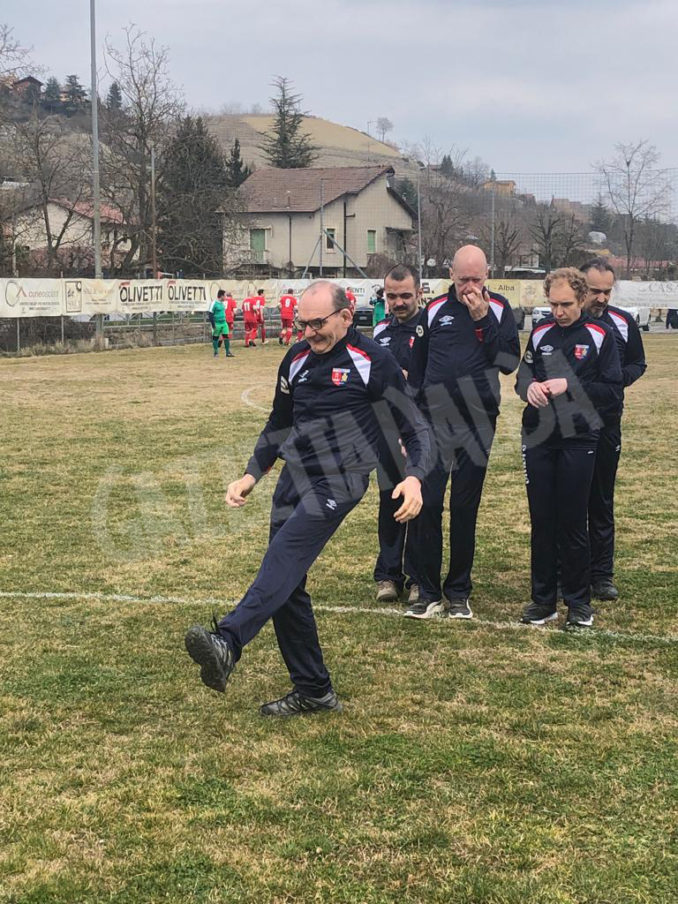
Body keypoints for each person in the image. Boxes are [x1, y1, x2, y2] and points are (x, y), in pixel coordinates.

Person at [184, 280, 431, 716]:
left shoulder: (374, 361)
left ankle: (229, 641)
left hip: (341, 480)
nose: (310, 332)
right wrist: (250, 474)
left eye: (318, 323)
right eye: (304, 324)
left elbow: (415, 427)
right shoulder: (296, 357)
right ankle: (314, 690)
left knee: (283, 558)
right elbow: (278, 424)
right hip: (294, 478)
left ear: (346, 317)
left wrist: (414, 478)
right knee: (287, 578)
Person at [405, 244, 520, 619]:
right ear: (450, 275)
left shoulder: (500, 309)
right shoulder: (434, 311)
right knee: (429, 505)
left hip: (477, 422)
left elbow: (506, 363)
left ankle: (458, 591)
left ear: (486, 276)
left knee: (464, 508)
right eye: (463, 278)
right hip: (434, 423)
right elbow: (417, 372)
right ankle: (428, 591)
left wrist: (483, 318)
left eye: (476, 278)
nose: (469, 285)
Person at [516, 267, 623, 628]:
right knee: (542, 520)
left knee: (574, 520)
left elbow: (612, 391)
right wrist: (528, 387)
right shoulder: (541, 332)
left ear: (581, 299)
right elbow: (523, 375)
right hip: (539, 436)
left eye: (565, 304)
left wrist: (569, 384)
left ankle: (578, 603)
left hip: (580, 437)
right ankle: (543, 600)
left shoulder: (599, 334)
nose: (558, 311)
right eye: (553, 304)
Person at [580, 259, 646, 601]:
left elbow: (638, 362)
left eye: (607, 291)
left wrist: (619, 381)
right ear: (581, 287)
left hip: (607, 424)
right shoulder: (561, 322)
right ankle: (568, 572)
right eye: (595, 291)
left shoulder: (622, 322)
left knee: (601, 500)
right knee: (569, 502)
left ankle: (602, 575)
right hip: (568, 428)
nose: (602, 298)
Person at [371, 265, 424, 604]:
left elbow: (440, 379)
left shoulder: (430, 330)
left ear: (419, 292)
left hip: (422, 432)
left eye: (406, 295)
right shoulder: (379, 332)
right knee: (390, 501)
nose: (399, 302)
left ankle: (419, 576)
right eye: (392, 296)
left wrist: (409, 382)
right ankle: (388, 575)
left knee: (420, 504)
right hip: (388, 431)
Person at [207, 290, 231, 358]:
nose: (226, 297)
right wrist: (213, 325)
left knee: (226, 337)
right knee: (215, 338)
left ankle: (227, 352)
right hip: (217, 324)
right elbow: (210, 314)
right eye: (225, 295)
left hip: (224, 323)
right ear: (221, 296)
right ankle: (216, 352)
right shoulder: (214, 303)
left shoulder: (223, 303)